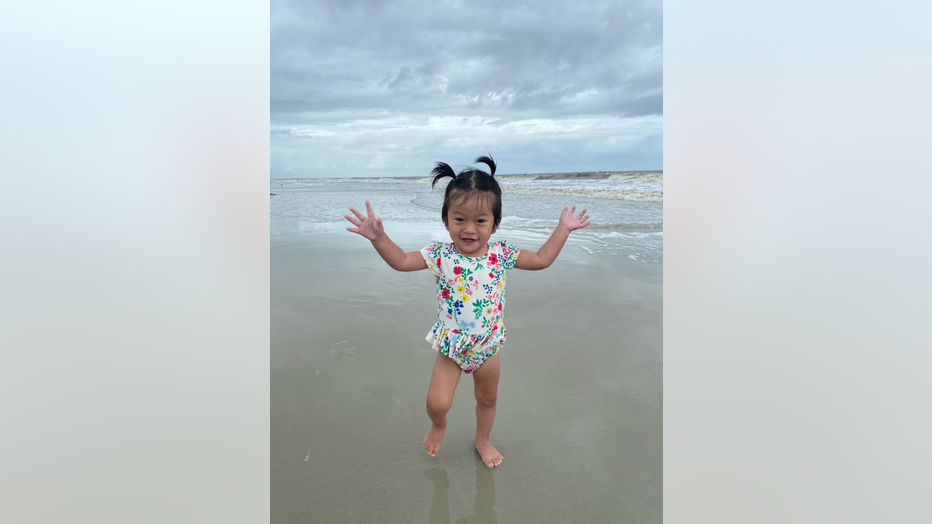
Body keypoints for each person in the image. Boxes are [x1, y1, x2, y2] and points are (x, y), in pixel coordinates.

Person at [344, 156, 590, 468]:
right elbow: (402, 262)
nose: (469, 229)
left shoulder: (502, 255)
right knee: (437, 403)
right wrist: (380, 238)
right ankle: (439, 424)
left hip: (488, 346)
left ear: (495, 224)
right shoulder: (438, 254)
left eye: (480, 221)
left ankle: (482, 439)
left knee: (487, 399)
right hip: (452, 346)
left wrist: (563, 229)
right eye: (459, 219)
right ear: (446, 220)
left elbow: (541, 259)